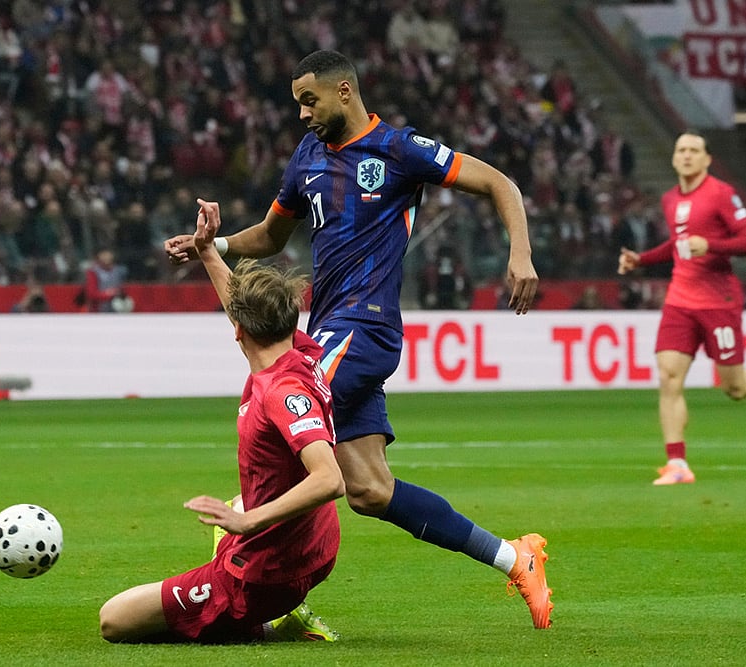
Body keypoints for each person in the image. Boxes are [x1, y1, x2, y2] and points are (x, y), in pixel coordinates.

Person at [167, 50, 552, 629]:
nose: (302, 114)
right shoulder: (308, 158)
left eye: (309, 100)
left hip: (362, 327)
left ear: (344, 91)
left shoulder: (400, 151)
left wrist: (519, 253)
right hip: (327, 328)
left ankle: (258, 601)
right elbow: (273, 236)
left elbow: (499, 182)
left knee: (277, 437)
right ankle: (513, 557)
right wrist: (211, 247)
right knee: (369, 490)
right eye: (297, 102)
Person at [99, 208, 345, 644]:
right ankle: (281, 600)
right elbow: (243, 306)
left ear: (237, 332)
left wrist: (248, 522)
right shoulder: (299, 350)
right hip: (318, 544)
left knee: (114, 620)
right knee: (239, 500)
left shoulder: (280, 393)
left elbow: (330, 479)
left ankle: (267, 620)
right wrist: (207, 250)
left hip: (265, 575)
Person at [617, 131, 746, 486]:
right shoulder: (670, 199)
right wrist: (642, 260)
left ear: (706, 159)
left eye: (693, 150)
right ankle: (677, 463)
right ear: (673, 158)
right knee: (668, 377)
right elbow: (678, 243)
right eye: (680, 149)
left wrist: (710, 245)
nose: (685, 155)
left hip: (718, 301)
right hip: (680, 300)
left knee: (734, 388)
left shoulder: (722, 194)